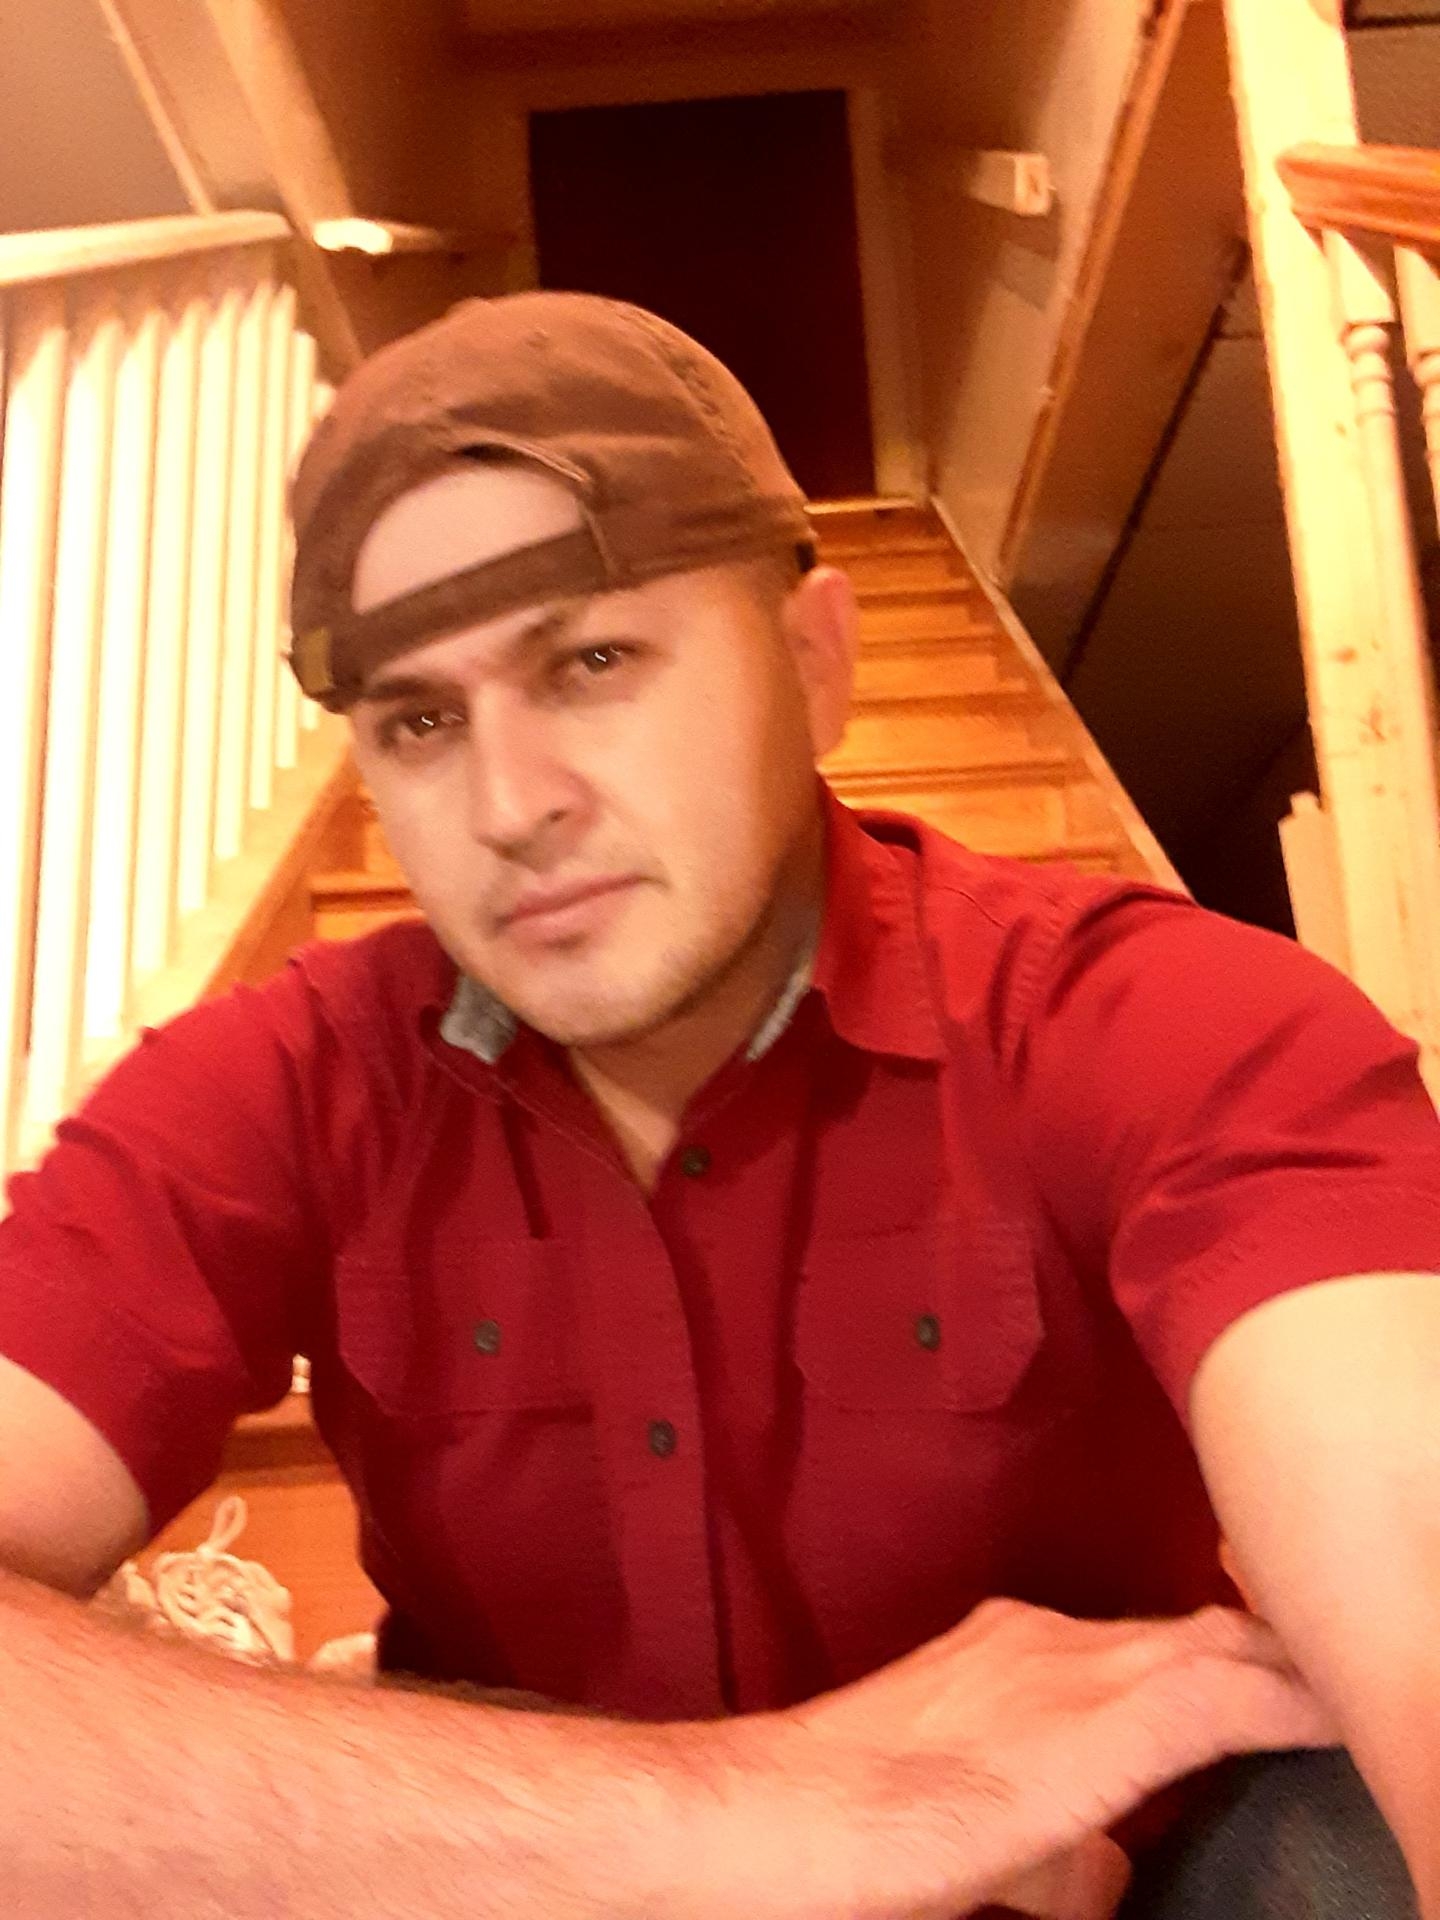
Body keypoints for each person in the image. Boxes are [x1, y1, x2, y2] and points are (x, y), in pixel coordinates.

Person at [0, 292, 1435, 1919]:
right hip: (558, 1885)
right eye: (420, 720)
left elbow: (1409, 1537)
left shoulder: (1151, 1019)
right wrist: (758, 1819)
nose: (510, 804)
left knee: (1338, 1839)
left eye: (592, 661)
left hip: (1090, 1878)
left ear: (814, 664)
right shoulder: (280, 1085)